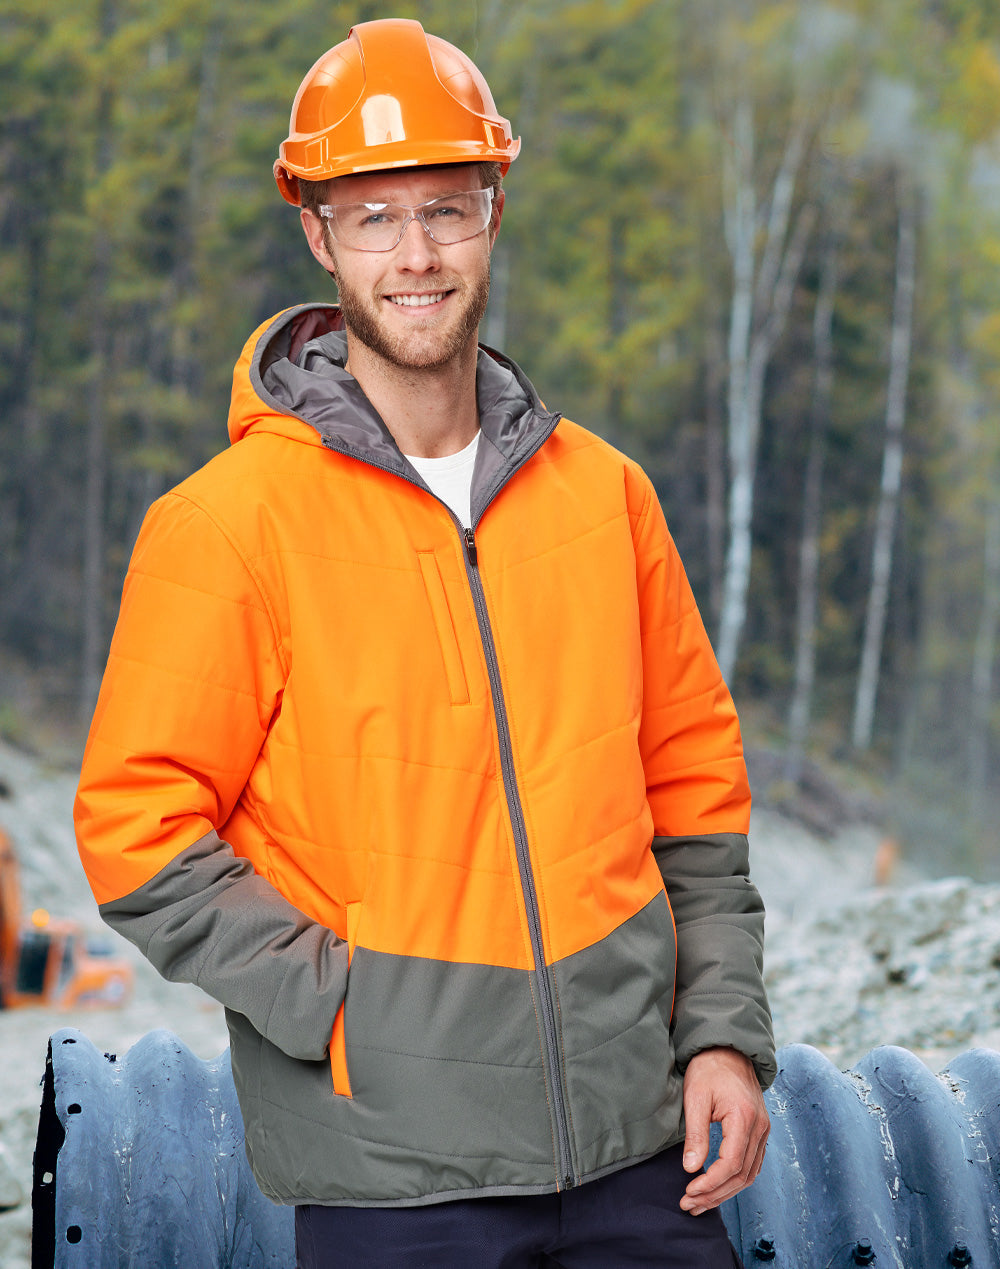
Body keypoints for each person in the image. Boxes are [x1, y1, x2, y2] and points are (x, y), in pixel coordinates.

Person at [75, 18, 775, 1268]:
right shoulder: (227, 525)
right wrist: (346, 1010)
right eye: (376, 218)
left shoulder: (604, 496)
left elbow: (696, 802)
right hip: (395, 1186)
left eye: (446, 210)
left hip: (639, 1160)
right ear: (318, 233)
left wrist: (720, 1035)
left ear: (494, 210)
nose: (416, 256)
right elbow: (137, 826)